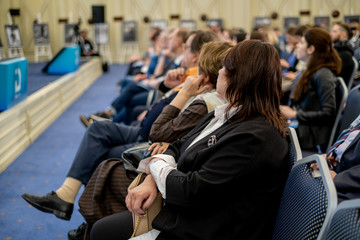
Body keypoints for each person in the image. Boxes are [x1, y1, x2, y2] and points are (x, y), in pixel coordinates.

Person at [90, 40, 290, 240]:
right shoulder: (228, 113)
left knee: (102, 229)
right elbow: (177, 146)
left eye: (224, 67)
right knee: (102, 229)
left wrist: (154, 167)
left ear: (237, 76)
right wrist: (152, 178)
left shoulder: (253, 137)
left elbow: (190, 190)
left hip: (200, 228)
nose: (219, 72)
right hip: (186, 211)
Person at [21, 30, 219, 222]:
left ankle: (83, 214)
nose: (182, 49)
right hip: (148, 132)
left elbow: (158, 129)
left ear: (197, 60)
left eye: (187, 47)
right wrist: (165, 87)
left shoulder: (200, 97)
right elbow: (163, 112)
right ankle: (71, 200)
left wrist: (180, 93)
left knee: (101, 150)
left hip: (152, 142)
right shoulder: (193, 83)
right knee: (99, 130)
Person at [68, 40, 233, 240]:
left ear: (204, 73)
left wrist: (183, 93)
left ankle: (82, 220)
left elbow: (156, 133)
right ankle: (78, 215)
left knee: (103, 161)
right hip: (163, 161)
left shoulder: (207, 103)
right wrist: (171, 87)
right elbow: (171, 136)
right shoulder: (213, 102)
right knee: (100, 138)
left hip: (167, 173)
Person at [281, 27, 342, 153]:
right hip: (304, 129)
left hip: (310, 137)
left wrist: (294, 114)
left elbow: (328, 113)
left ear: (311, 49)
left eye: (302, 42)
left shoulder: (323, 74)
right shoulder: (311, 71)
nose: (297, 45)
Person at [330, 22, 355, 87]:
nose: (331, 34)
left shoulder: (345, 54)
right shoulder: (338, 50)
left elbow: (330, 73)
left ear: (343, 34)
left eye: (334, 31)